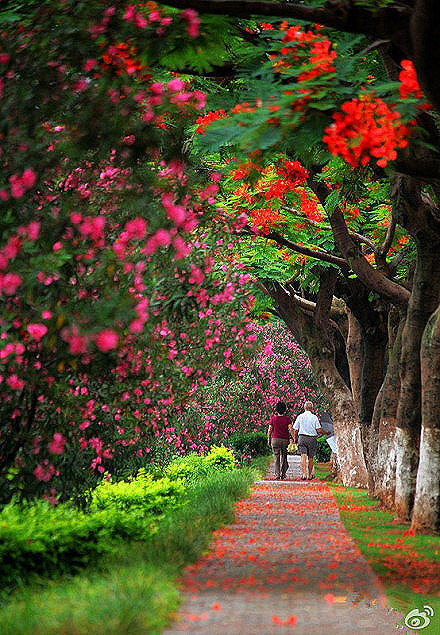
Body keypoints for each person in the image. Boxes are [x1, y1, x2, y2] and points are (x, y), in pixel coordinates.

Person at [293, 401, 324, 480]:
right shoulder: (314, 417)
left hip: (302, 438)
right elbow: (318, 430)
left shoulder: (300, 416)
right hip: (312, 439)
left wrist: (295, 438)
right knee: (311, 458)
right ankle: (310, 475)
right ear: (312, 409)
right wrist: (324, 432)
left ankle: (304, 474)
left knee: (303, 456)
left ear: (304, 408)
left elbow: (295, 429)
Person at [267, 402, 294, 480]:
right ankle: (283, 473)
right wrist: (294, 438)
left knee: (276, 457)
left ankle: (277, 474)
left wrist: (269, 439)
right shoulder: (287, 419)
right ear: (285, 410)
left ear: (276, 410)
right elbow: (291, 429)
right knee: (284, 457)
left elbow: (269, 430)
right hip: (285, 440)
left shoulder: (273, 419)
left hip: (275, 440)